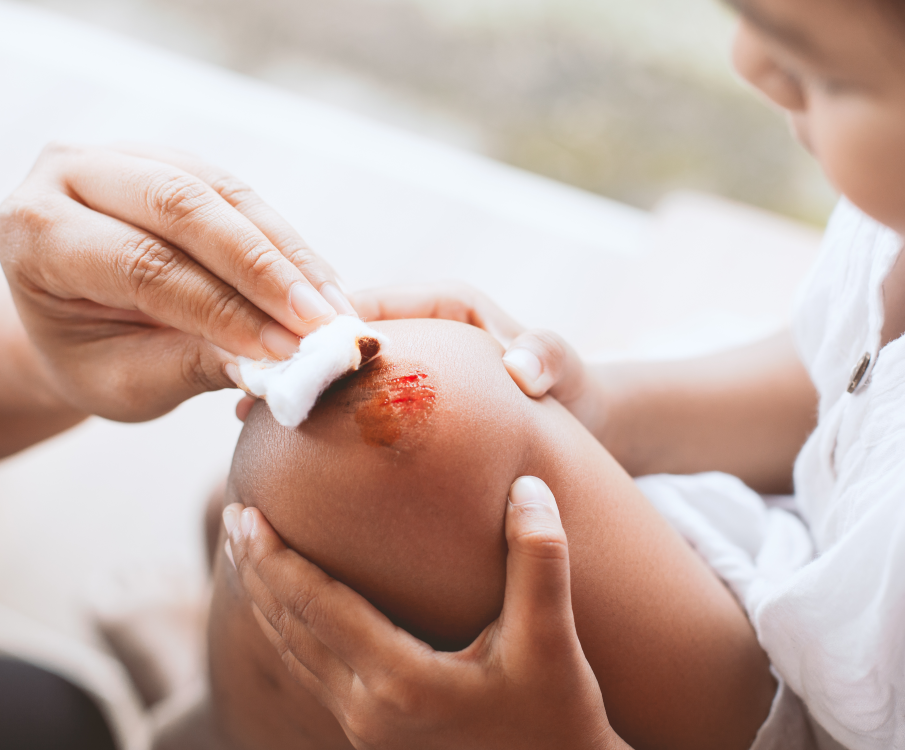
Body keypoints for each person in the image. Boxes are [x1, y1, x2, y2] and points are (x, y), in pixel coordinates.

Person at [223, 0, 905, 748]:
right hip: (819, 583)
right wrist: (611, 412)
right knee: (326, 493)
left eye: (828, 74)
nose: (748, 61)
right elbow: (835, 375)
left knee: (316, 514)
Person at [192, 317, 772, 750]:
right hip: (793, 521)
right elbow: (833, 370)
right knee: (260, 505)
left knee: (314, 497)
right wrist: (612, 409)